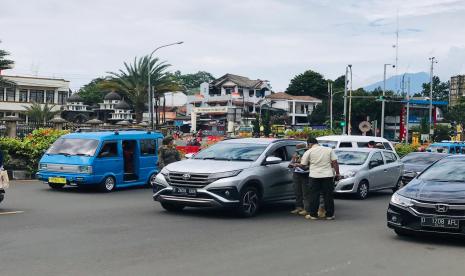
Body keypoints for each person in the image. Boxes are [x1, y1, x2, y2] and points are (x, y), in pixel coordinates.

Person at [299, 137, 341, 220]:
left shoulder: (309, 151)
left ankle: (313, 215)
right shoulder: (328, 150)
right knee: (328, 195)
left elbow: (303, 165)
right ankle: (329, 215)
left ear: (309, 144)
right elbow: (335, 162)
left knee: (314, 196)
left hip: (314, 176)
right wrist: (337, 173)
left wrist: (298, 165)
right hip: (327, 176)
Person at [288, 144, 309, 216]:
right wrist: (293, 163)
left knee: (305, 192)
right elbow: (290, 164)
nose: (299, 152)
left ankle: (307, 209)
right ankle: (299, 207)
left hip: (306, 174)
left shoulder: (308, 154)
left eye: (300, 150)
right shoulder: (296, 154)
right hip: (297, 173)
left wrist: (299, 165)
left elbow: (308, 166)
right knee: (297, 191)